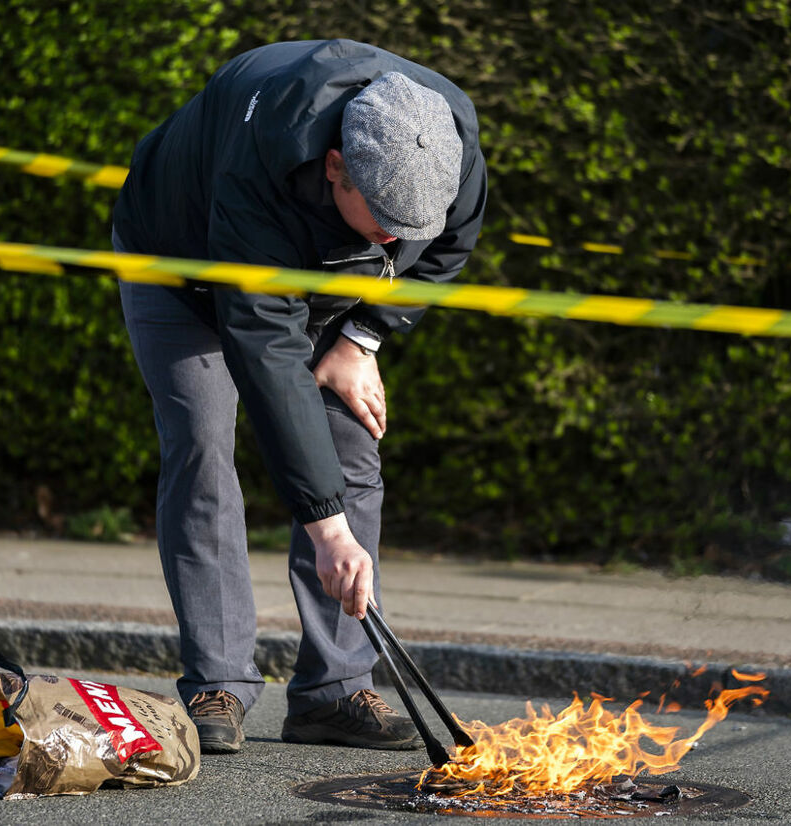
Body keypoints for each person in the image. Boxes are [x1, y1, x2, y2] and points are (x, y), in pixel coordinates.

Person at [110, 39, 487, 754]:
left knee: (354, 440)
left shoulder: (448, 142)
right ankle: (218, 681)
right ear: (336, 166)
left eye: (409, 227)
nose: (395, 239)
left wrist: (363, 340)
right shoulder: (261, 157)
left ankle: (333, 693)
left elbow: (445, 251)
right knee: (202, 443)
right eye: (383, 220)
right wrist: (328, 530)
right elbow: (267, 351)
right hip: (179, 265)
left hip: (325, 282)